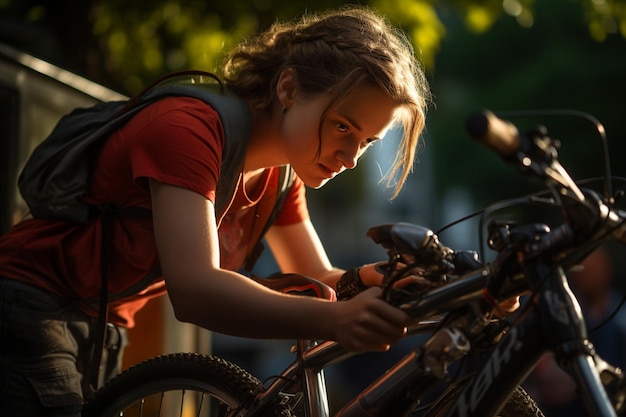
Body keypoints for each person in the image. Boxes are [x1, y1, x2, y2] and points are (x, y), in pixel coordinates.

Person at [0, 5, 432, 417]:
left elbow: (317, 280)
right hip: (27, 305)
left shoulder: (281, 176)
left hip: (102, 329)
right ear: (287, 88)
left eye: (367, 142)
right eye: (343, 126)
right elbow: (195, 290)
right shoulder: (188, 130)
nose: (351, 157)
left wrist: (370, 280)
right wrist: (337, 319)